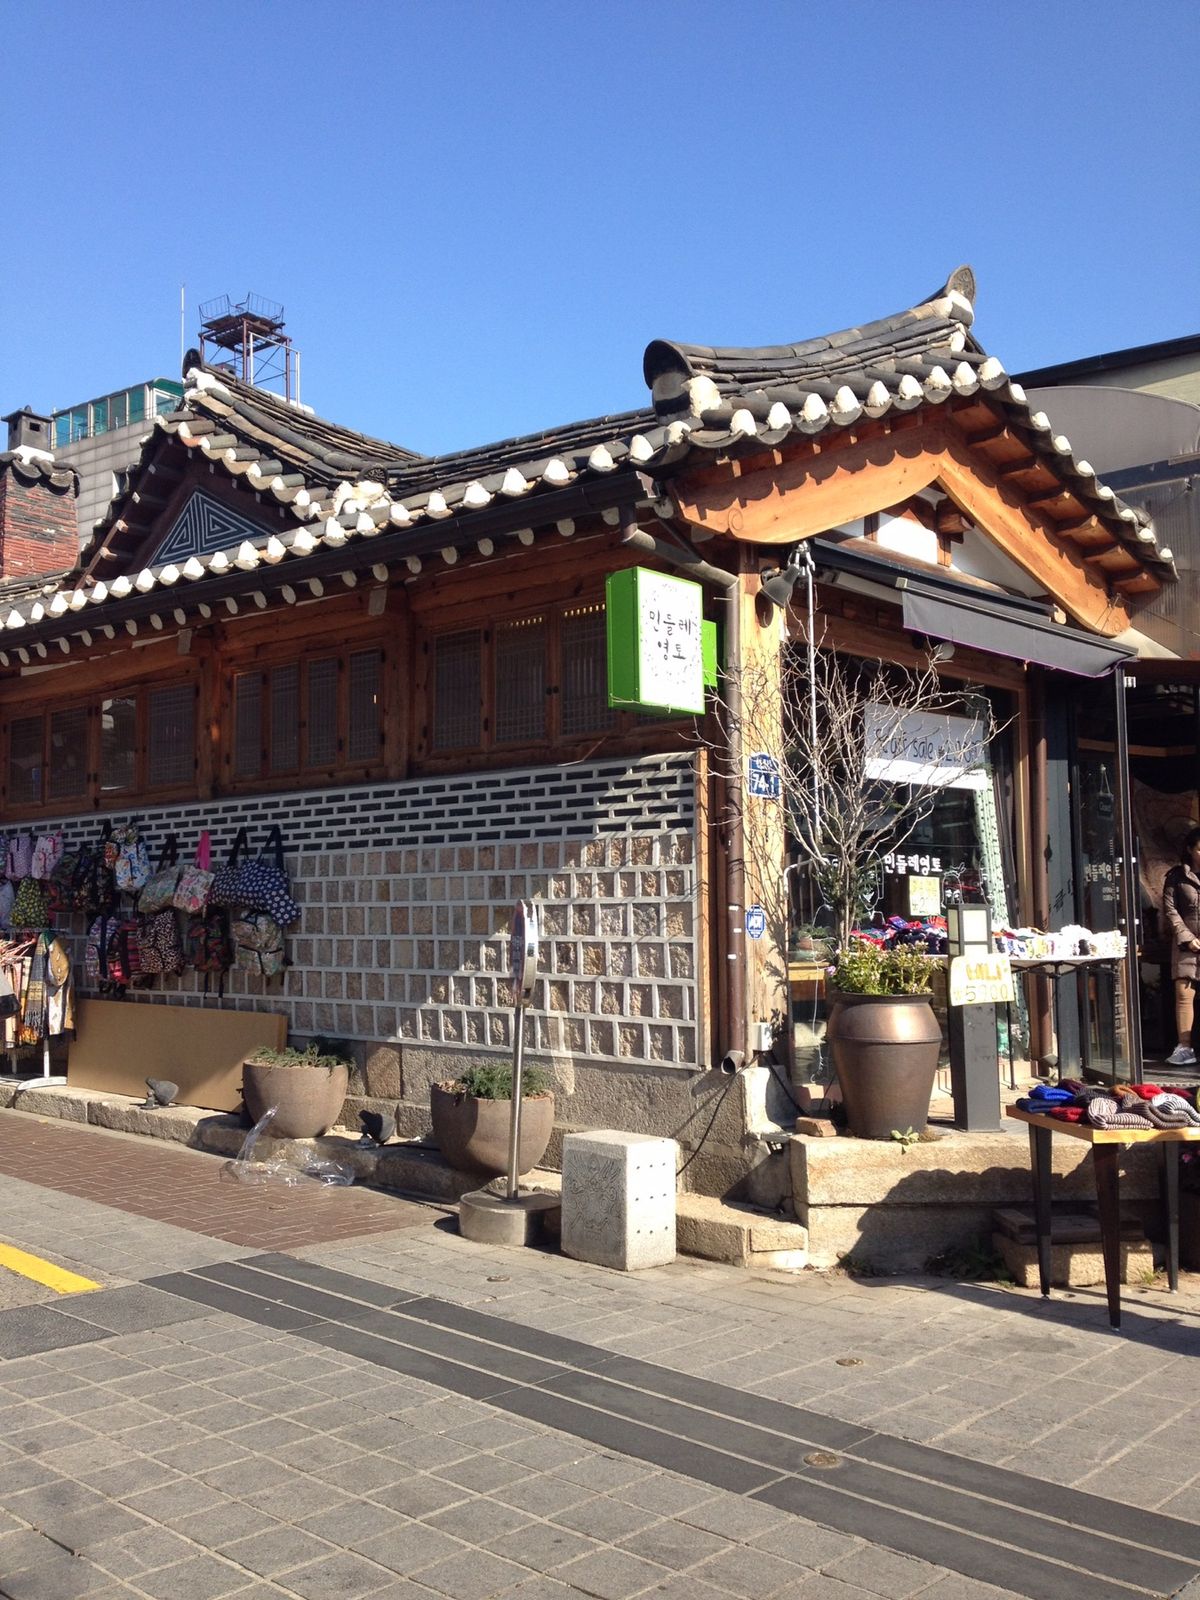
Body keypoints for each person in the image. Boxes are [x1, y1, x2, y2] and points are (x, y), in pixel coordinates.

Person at [1162, 825, 1200, 1066]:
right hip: (1186, 943)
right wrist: (1186, 937)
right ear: (1190, 850)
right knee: (1184, 994)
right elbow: (1170, 909)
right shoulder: (1176, 877)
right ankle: (1185, 1048)